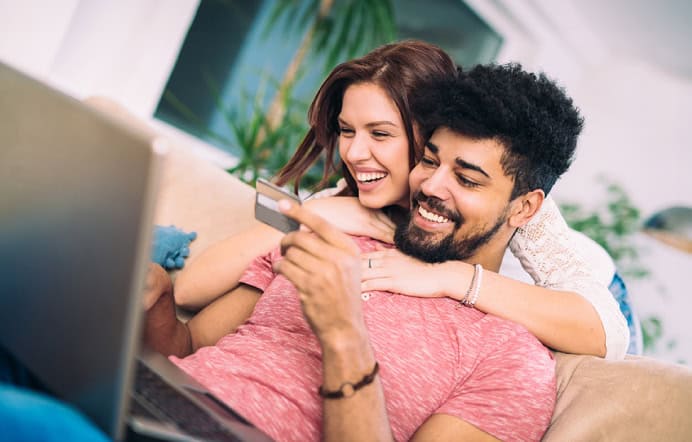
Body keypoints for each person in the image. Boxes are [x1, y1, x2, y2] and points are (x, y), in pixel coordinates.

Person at [144, 62, 591, 440]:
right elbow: (187, 348)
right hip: (149, 411)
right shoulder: (333, 243)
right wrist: (157, 300)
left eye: (467, 179)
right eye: (430, 161)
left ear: (525, 207)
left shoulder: (511, 359)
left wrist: (343, 334)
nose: (431, 187)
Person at [174, 40, 629, 359]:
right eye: (347, 131)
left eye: (381, 134)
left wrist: (450, 277)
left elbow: (608, 331)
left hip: (600, 287)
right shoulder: (361, 195)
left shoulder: (516, 209)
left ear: (426, 132)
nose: (353, 152)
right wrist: (318, 212)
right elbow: (192, 289)